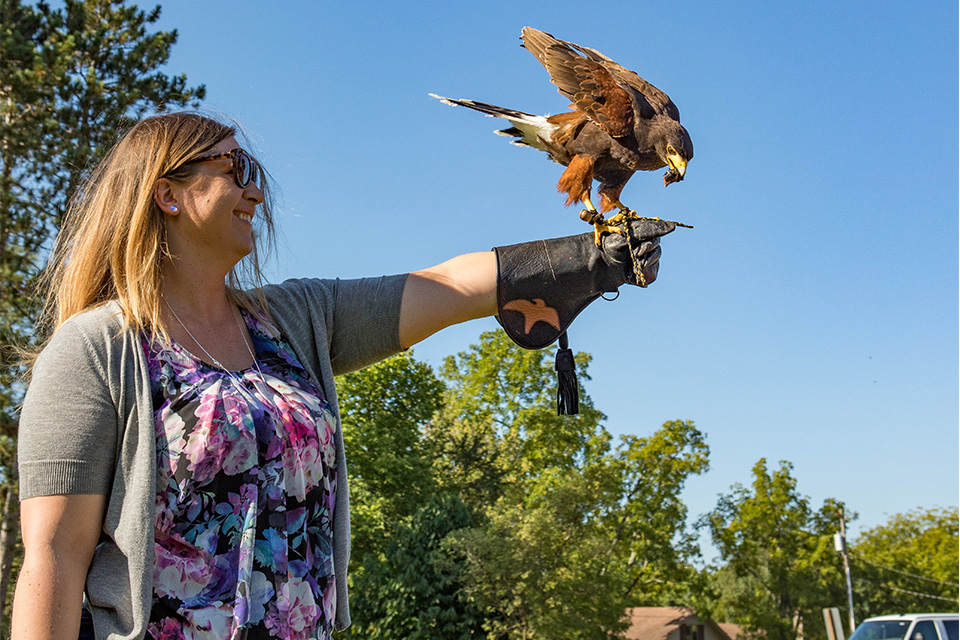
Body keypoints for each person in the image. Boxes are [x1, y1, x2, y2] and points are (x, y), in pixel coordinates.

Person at [12, 112, 674, 639]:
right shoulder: (97, 349)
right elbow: (54, 556)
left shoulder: (294, 320)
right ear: (168, 194)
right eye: (234, 166)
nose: (254, 187)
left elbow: (442, 284)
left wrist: (586, 257)